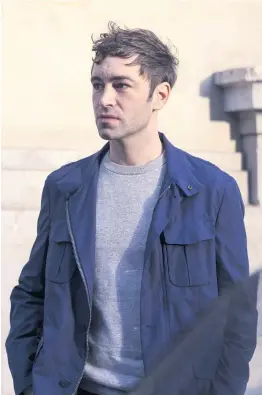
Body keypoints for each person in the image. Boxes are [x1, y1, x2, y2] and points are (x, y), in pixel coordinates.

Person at [6, 22, 257, 395]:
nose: (105, 98)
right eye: (97, 84)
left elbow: (236, 314)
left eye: (121, 85)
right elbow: (31, 295)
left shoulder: (211, 191)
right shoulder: (64, 188)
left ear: (160, 95)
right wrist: (29, 385)